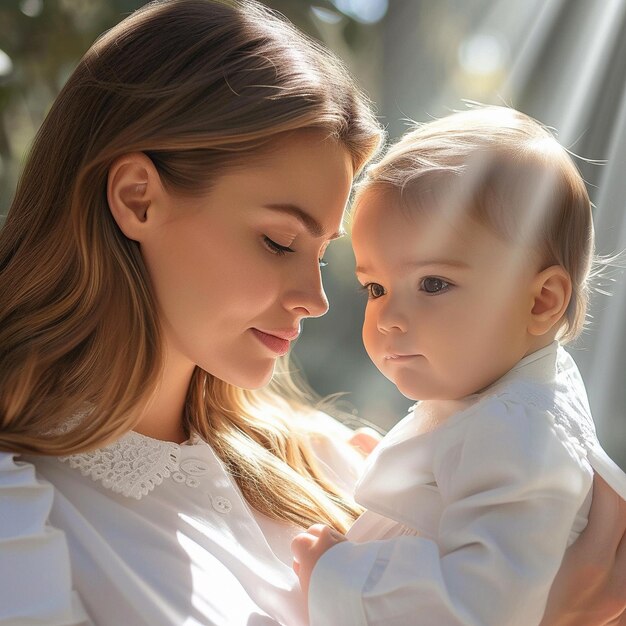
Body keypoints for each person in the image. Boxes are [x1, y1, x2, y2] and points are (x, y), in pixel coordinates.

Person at [0, 0, 624, 623]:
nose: (317, 300)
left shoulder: (342, 464)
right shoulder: (20, 513)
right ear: (138, 199)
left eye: (324, 254)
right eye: (278, 241)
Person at [291, 106, 626, 626]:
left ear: (541, 301)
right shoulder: (499, 405)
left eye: (433, 284)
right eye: (376, 289)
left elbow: (480, 605)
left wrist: (339, 575)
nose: (390, 318)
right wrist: (409, 470)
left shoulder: (519, 434)